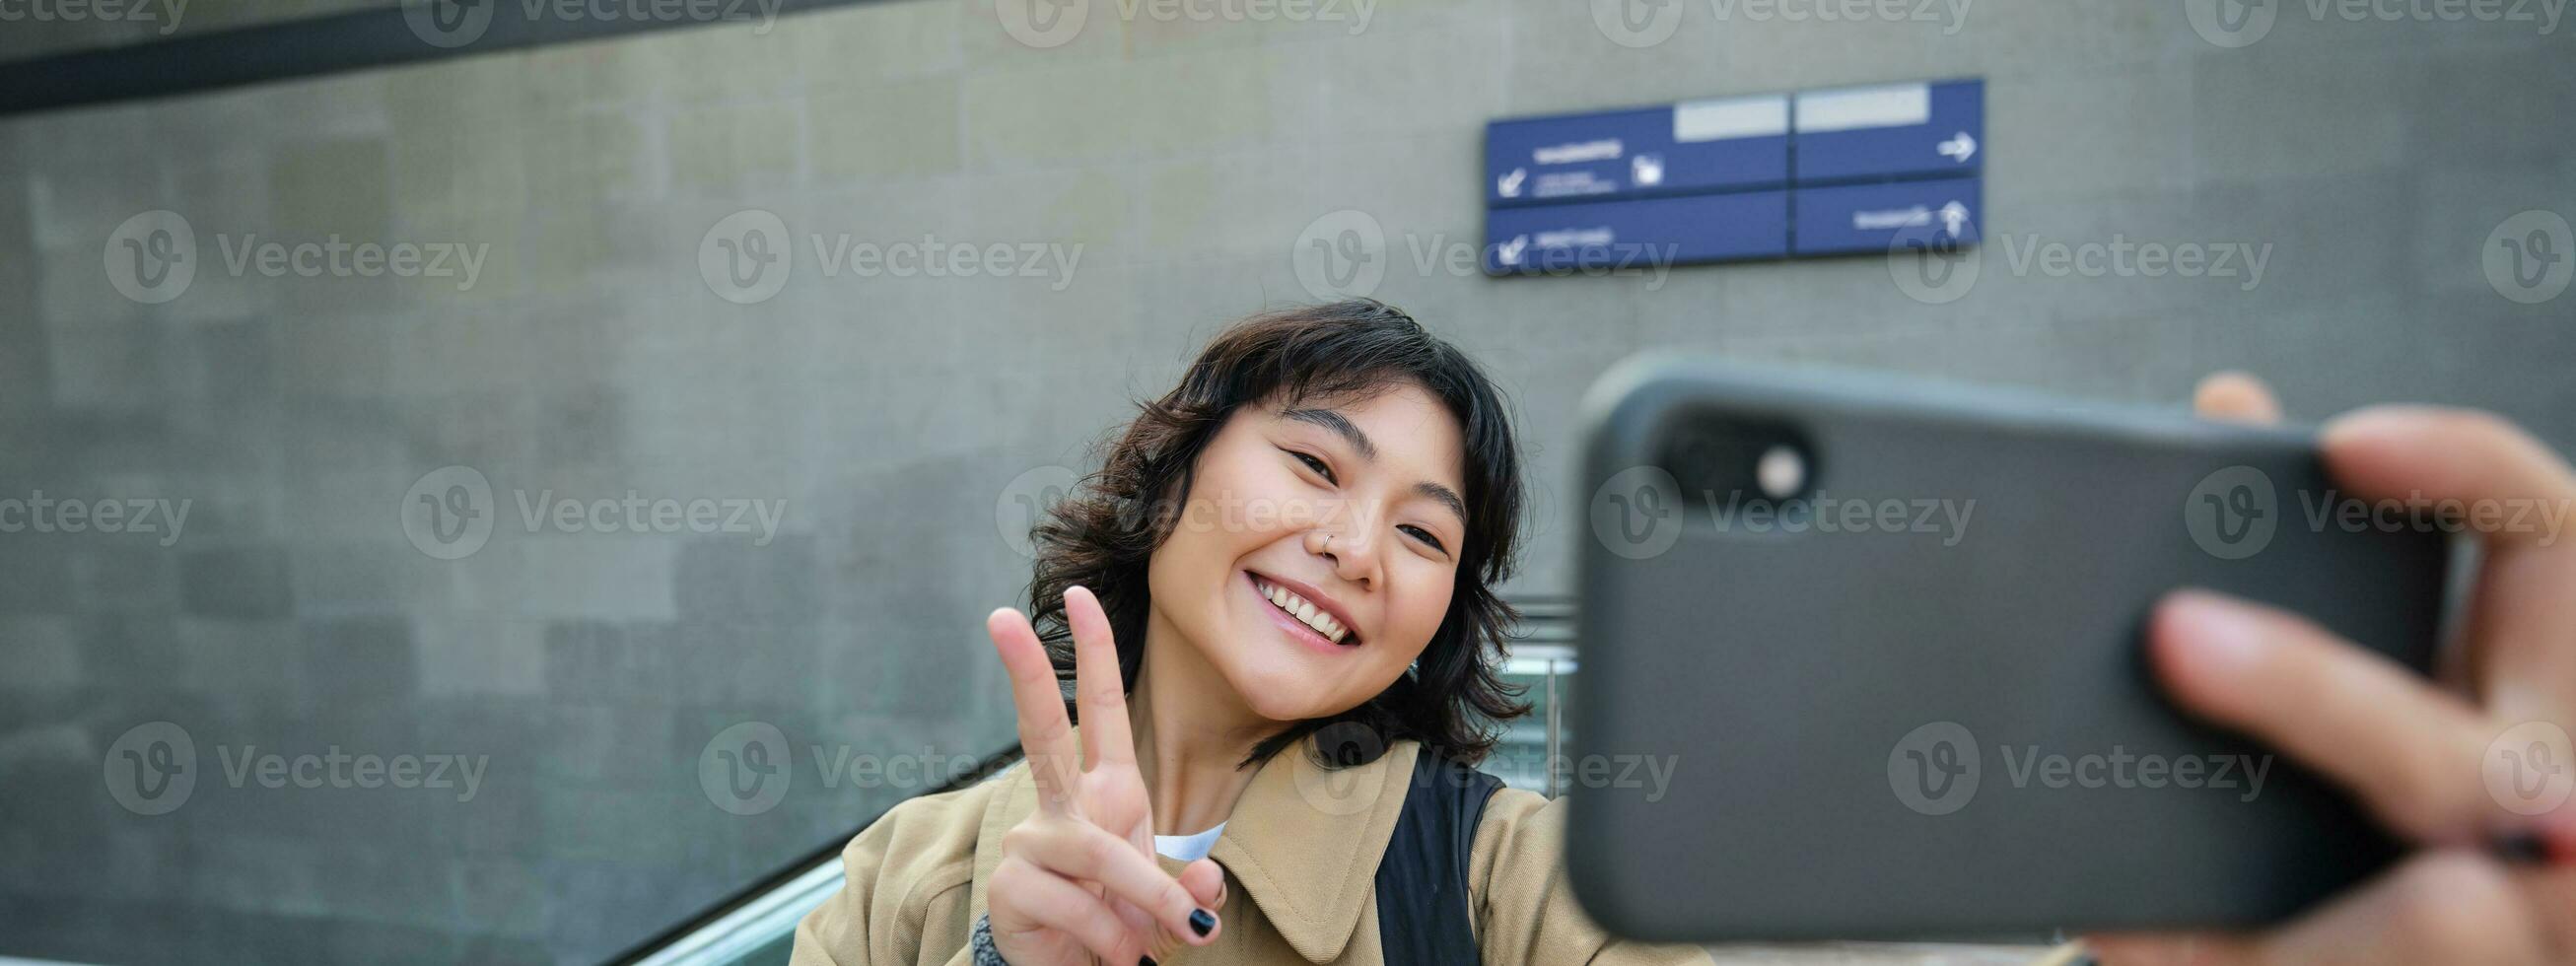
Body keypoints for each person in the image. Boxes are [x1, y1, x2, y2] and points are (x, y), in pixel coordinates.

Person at [790, 302, 2576, 966]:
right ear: (1168, 478)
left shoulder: (1512, 885)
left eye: (1427, 533)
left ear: (1432, 623)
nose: (1353, 545)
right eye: (1313, 465)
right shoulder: (905, 874)